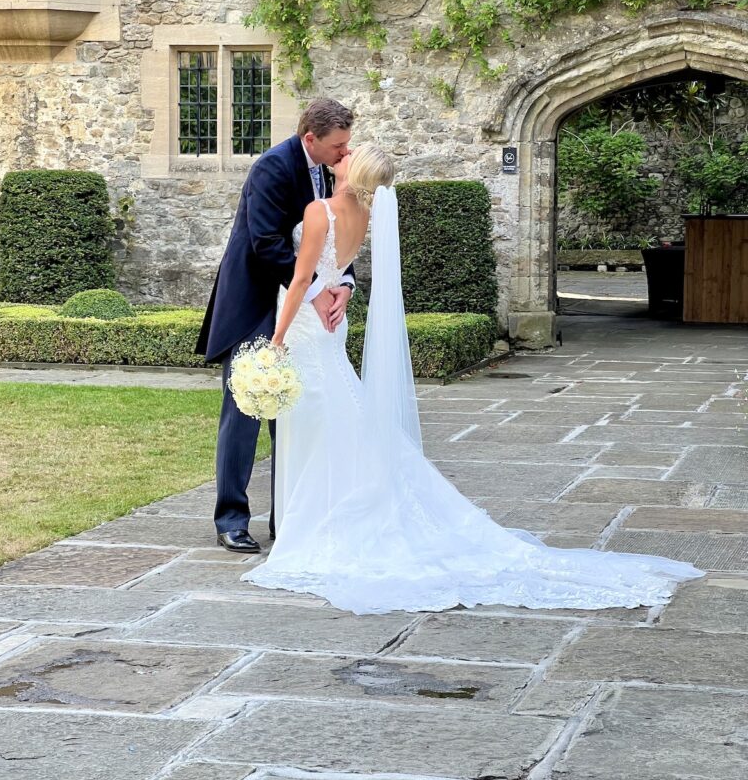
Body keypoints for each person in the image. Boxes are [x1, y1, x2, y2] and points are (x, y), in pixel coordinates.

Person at [242, 142, 704, 614]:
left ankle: (317, 525)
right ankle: (326, 514)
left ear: (352, 170)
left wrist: (276, 340)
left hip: (304, 328)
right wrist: (340, 287)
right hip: (330, 331)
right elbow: (339, 270)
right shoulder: (364, 215)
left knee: (322, 425)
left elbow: (300, 280)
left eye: (348, 151)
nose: (342, 152)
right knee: (339, 419)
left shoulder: (320, 210)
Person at [195, 99, 356, 554]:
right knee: (245, 410)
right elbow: (266, 244)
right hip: (254, 302)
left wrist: (343, 282)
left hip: (299, 305)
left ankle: (287, 515)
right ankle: (231, 518)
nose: (346, 153)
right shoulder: (271, 168)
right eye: (338, 145)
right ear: (311, 139)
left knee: (293, 416)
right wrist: (314, 290)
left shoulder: (331, 169)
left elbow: (335, 236)